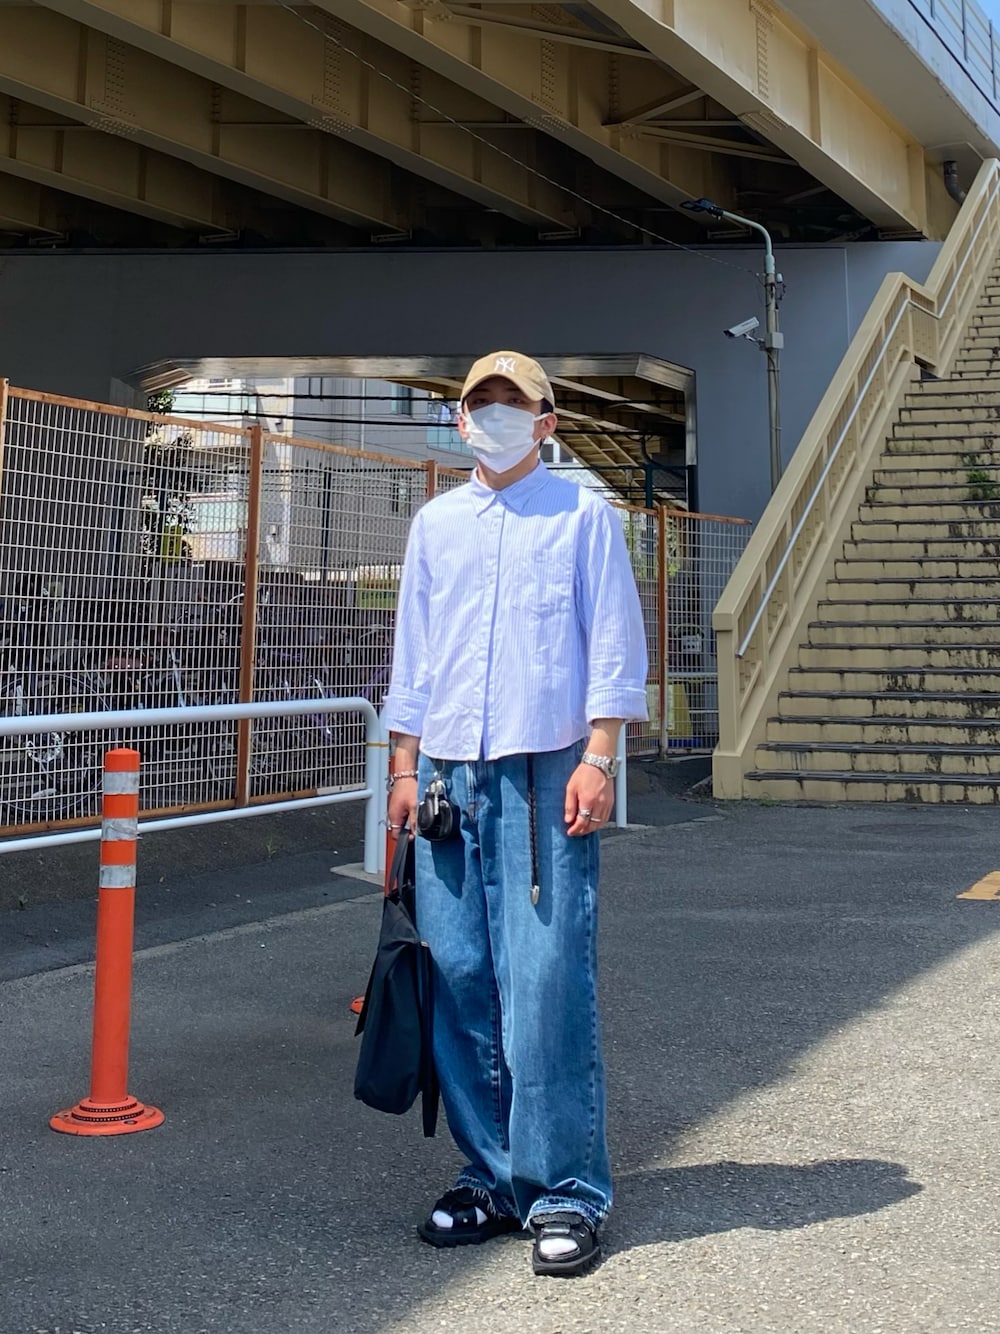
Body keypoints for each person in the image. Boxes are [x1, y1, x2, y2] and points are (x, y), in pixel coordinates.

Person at [382, 351, 648, 1278]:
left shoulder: (583, 515)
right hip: (448, 775)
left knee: (545, 980)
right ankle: (492, 1176)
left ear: (546, 421)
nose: (494, 416)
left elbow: (613, 641)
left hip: (547, 770)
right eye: (480, 402)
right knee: (460, 976)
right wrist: (403, 768)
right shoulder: (436, 523)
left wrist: (600, 756)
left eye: (513, 402)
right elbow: (415, 653)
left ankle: (566, 1189)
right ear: (460, 420)